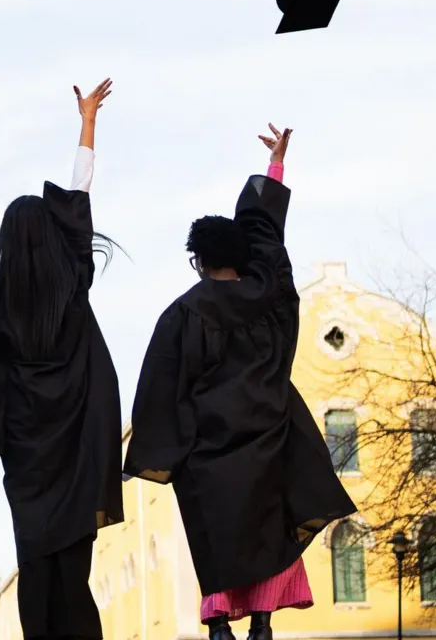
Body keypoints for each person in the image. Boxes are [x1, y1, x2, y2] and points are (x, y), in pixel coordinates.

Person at [121, 125, 357, 640]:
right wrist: (274, 170)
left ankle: (220, 627)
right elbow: (268, 241)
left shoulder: (182, 314)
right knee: (270, 530)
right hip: (272, 439)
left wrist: (168, 449)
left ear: (200, 262)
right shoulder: (272, 301)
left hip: (211, 456)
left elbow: (162, 390)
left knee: (218, 536)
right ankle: (264, 623)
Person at [0, 79, 124, 640]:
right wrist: (87, 123)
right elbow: (79, 199)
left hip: (29, 458)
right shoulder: (72, 284)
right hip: (80, 445)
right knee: (73, 571)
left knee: (35, 563)